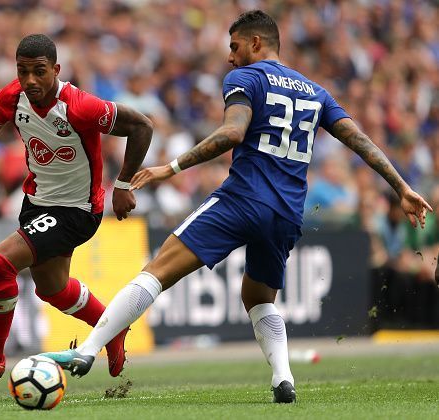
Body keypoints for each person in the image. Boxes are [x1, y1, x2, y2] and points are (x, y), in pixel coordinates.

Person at [37, 10, 432, 403]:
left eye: (235, 45)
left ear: (256, 43)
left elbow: (232, 132)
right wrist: (401, 187)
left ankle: (87, 350)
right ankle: (283, 378)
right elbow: (358, 139)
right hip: (287, 214)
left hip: (242, 199)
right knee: (258, 298)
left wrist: (170, 167)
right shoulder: (315, 91)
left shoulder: (245, 77)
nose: (230, 56)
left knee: (157, 271)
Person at [0, 34, 152, 386]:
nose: (31, 80)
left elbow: (142, 125)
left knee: (0, 262)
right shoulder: (13, 96)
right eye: (23, 71)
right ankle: (112, 328)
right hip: (36, 202)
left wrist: (124, 185)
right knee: (52, 289)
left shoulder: (80, 106)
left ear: (56, 69)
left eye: (39, 71)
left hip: (77, 210)